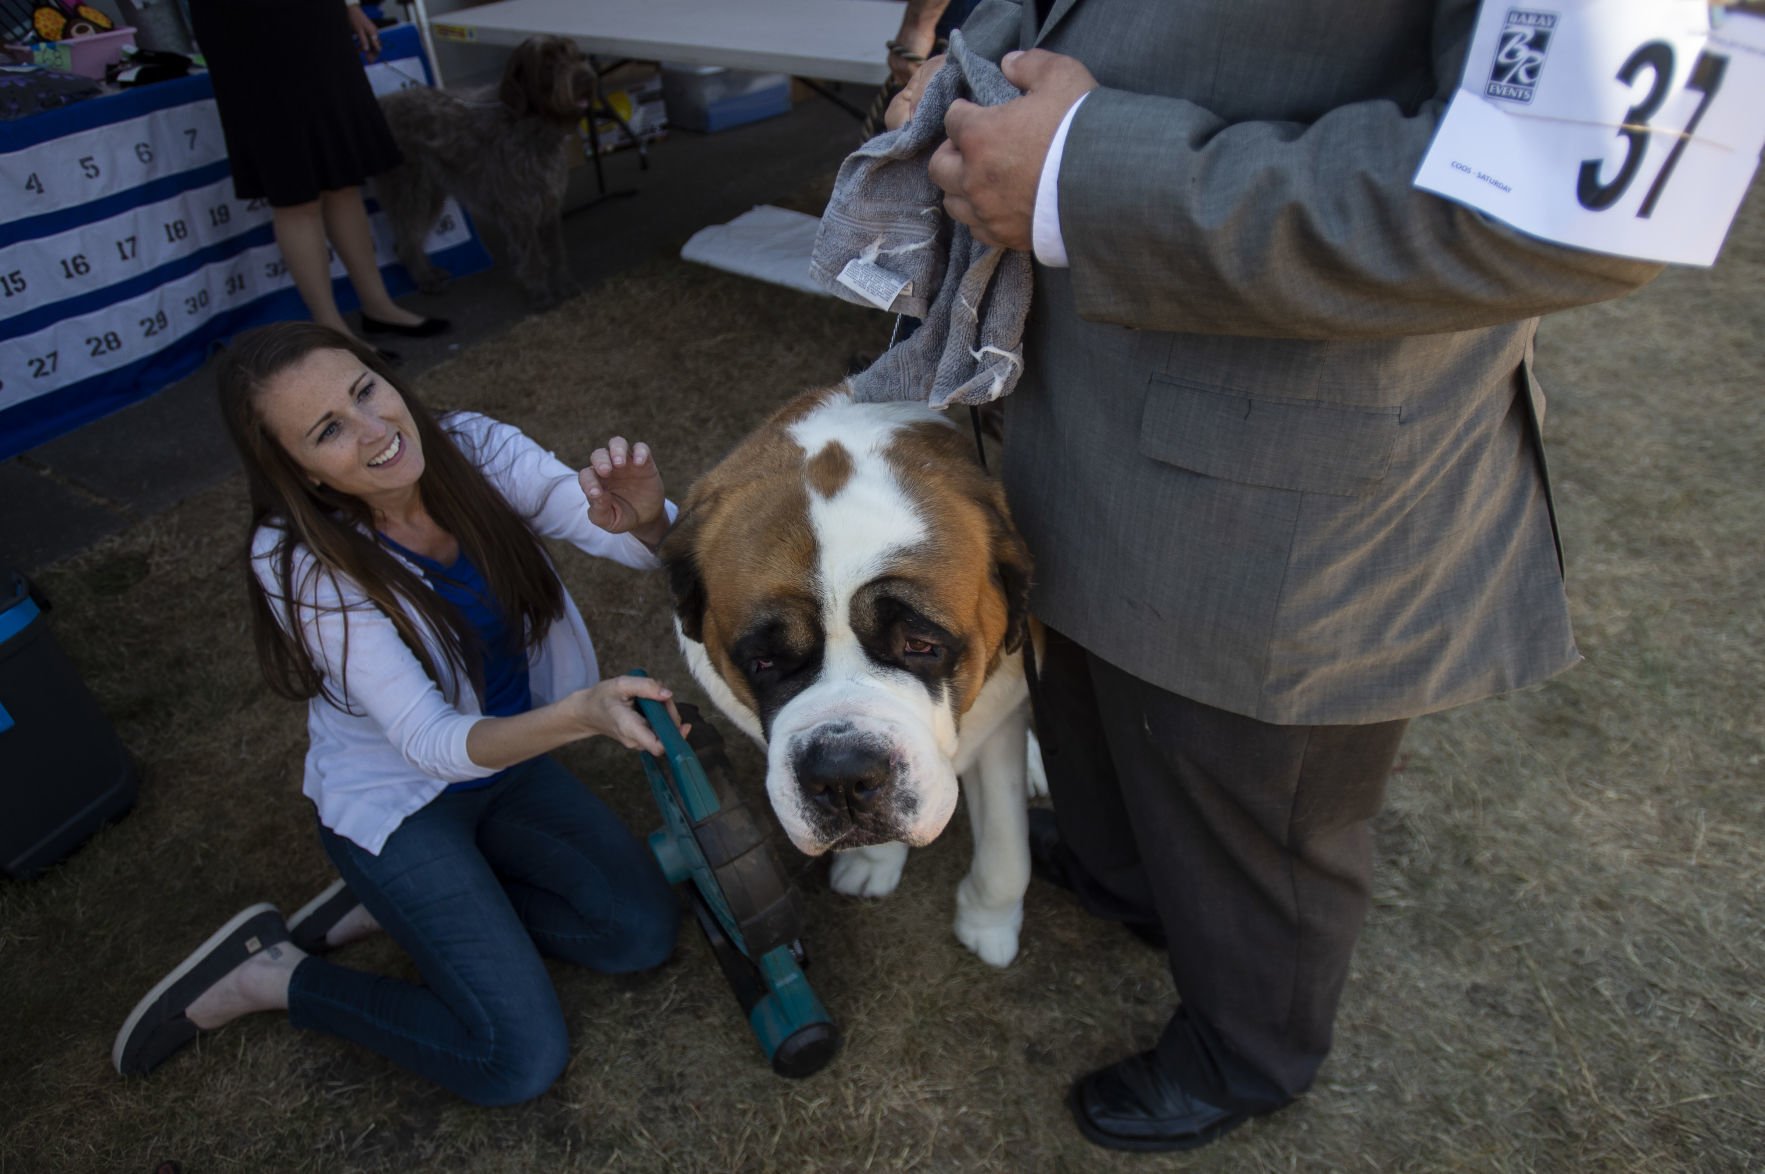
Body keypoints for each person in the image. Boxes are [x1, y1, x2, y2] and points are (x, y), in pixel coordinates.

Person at [888, 0, 1663, 1153]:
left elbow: (1584, 193)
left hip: (1287, 461)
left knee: (1253, 791)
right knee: (1092, 702)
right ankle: (1130, 878)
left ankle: (1254, 1047)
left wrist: (1088, 175)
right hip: (1072, 402)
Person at [112, 322, 686, 1104]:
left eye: (363, 391)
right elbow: (430, 742)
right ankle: (276, 977)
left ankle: (404, 908)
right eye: (329, 431)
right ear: (300, 471)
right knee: (515, 1060)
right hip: (402, 804)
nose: (376, 430)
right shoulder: (300, 563)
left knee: (639, 932)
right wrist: (584, 714)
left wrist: (651, 521)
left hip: (507, 771)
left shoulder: (471, 448)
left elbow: (600, 522)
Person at [184, 0, 448, 346]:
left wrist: (349, 4)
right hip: (246, 26)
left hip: (315, 17)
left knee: (342, 176)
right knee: (294, 189)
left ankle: (378, 306)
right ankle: (330, 326)